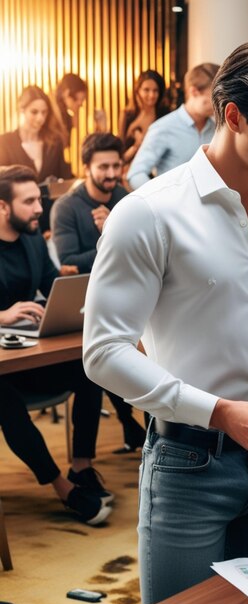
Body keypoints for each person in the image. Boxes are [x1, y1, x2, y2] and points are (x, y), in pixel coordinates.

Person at [83, 40, 248, 604]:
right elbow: (103, 352)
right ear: (232, 116)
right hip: (186, 461)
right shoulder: (148, 213)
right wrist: (218, 413)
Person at [0, 165, 111, 525]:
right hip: (4, 373)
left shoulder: (32, 238)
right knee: (3, 395)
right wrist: (1, 315)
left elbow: (51, 285)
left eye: (39, 199)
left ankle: (82, 467)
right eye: (29, 201)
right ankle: (63, 488)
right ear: (3, 207)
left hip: (27, 355)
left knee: (89, 368)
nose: (38, 209)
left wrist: (65, 305)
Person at [51, 133, 146, 453]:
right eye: (102, 166)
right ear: (86, 167)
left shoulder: (126, 198)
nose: (110, 173)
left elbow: (147, 252)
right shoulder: (67, 207)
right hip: (87, 304)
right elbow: (69, 264)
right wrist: (112, 236)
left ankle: (146, 434)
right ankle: (132, 430)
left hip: (135, 298)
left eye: (116, 165)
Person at [126, 62, 218, 190]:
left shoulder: (218, 129)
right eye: (215, 96)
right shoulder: (164, 127)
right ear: (194, 91)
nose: (220, 102)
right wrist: (160, 200)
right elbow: (136, 174)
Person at [0, 85, 72, 184]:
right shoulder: (5, 142)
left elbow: (65, 177)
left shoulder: (55, 143)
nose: (40, 118)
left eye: (44, 112)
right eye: (34, 112)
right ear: (22, 110)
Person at [117, 70, 169, 168]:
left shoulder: (165, 114)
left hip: (159, 168)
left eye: (155, 90)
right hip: (130, 168)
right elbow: (121, 156)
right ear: (138, 90)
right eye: (146, 90)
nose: (151, 95)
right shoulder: (127, 115)